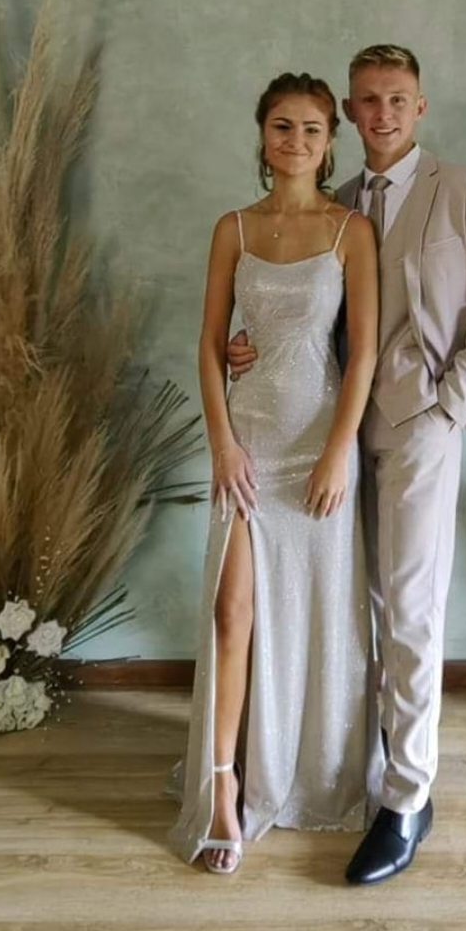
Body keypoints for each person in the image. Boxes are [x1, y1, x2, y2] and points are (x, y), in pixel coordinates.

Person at [229, 45, 466, 884]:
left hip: (419, 426)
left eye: (397, 99)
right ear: (350, 115)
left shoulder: (465, 189)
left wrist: (447, 406)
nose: (383, 113)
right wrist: (248, 344)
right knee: (350, 607)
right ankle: (355, 768)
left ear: (420, 107)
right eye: (367, 100)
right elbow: (314, 310)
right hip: (328, 427)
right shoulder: (340, 204)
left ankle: (406, 799)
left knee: (409, 611)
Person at [170, 72, 382, 874]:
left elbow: (362, 352)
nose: (296, 141)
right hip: (250, 440)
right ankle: (223, 787)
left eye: (312, 129)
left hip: (318, 443)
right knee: (233, 613)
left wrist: (338, 450)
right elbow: (208, 343)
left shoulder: (350, 231)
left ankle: (307, 768)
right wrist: (222, 443)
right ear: (263, 134)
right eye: (283, 126)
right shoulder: (233, 227)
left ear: (330, 144)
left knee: (313, 613)